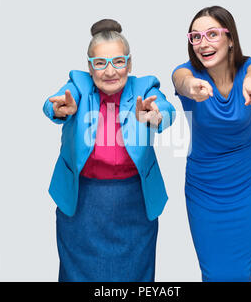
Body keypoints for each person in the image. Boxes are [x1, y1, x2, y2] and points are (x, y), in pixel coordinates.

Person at [43, 19, 175, 282]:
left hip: (134, 201)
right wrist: (57, 109)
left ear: (129, 63)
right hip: (83, 201)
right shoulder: (78, 85)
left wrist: (156, 117)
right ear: (90, 68)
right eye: (100, 63)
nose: (110, 71)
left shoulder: (144, 87)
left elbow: (166, 110)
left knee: (135, 274)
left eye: (118, 61)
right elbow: (54, 102)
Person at [172, 6, 251, 282]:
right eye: (196, 37)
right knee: (214, 273)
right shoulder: (186, 73)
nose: (203, 43)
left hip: (248, 186)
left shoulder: (250, 69)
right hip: (205, 189)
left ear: (230, 39)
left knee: (243, 272)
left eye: (212, 34)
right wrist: (190, 87)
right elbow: (181, 81)